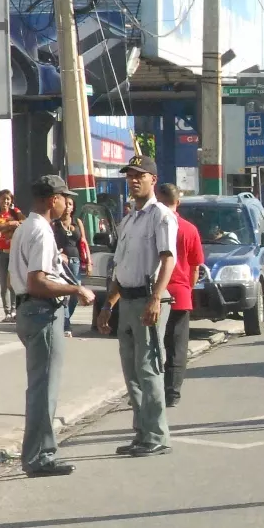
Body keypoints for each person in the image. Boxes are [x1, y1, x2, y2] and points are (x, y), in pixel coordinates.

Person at [10, 176, 94, 476]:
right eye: (62, 197)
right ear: (51, 200)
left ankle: (38, 453)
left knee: (40, 386)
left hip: (30, 311)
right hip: (42, 312)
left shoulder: (25, 227)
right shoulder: (42, 232)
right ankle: (38, 457)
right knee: (44, 390)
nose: (65, 203)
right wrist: (76, 290)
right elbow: (37, 281)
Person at [105, 154, 177, 458]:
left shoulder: (161, 215)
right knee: (131, 371)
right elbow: (121, 266)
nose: (134, 180)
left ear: (153, 180)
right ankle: (142, 433)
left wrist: (156, 298)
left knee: (148, 369)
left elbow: (167, 259)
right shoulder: (129, 219)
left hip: (149, 299)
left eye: (140, 175)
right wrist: (108, 305)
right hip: (127, 300)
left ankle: (157, 435)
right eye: (130, 176)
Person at [156, 183, 205, 408]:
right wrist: (188, 287)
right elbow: (195, 266)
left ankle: (153, 388)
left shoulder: (154, 226)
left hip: (155, 293)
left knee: (153, 344)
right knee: (177, 346)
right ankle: (173, 392)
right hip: (181, 293)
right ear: (179, 202)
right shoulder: (189, 229)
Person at [52, 195, 89, 336]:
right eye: (66, 204)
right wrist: (58, 255)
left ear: (73, 207)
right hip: (62, 262)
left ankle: (65, 318)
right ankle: (66, 325)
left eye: (70, 204)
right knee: (66, 292)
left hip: (76, 261)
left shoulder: (77, 222)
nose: (68, 206)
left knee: (76, 291)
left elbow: (83, 242)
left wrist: (89, 261)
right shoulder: (55, 224)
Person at [0, 189, 24, 320]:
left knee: (14, 282)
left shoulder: (16, 212)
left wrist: (17, 220)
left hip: (14, 253)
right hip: (0, 254)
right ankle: (7, 312)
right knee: (4, 284)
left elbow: (25, 222)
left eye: (8, 199)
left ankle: (15, 310)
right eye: (3, 199)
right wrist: (8, 224)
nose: (6, 201)